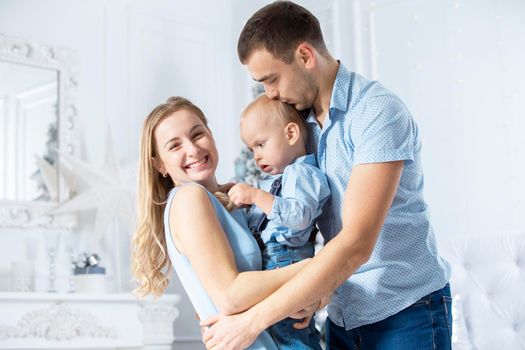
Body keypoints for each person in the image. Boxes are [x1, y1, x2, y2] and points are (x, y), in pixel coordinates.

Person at [201, 2, 453, 349]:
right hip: (343, 315)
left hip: (405, 311)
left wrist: (253, 321)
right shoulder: (299, 127)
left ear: (305, 56)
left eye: (271, 79)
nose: (269, 94)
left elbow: (356, 244)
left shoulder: (376, 112)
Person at [131, 96, 325, 350]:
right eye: (174, 146)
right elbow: (230, 296)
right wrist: (315, 270)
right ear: (159, 165)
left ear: (210, 134)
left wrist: (303, 298)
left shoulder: (233, 201)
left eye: (197, 134)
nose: (192, 150)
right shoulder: (190, 198)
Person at [228, 94, 330, 349]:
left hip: (286, 259)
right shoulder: (279, 178)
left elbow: (299, 216)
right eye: (252, 149)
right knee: (277, 335)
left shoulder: (302, 172)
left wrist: (255, 196)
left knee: (291, 335)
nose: (256, 156)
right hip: (272, 261)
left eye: (261, 144)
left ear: (292, 134)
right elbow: (260, 222)